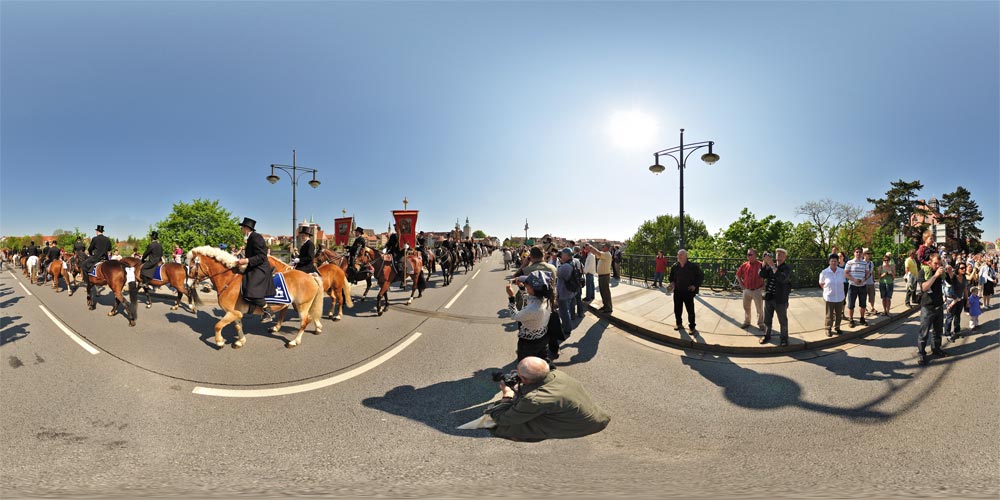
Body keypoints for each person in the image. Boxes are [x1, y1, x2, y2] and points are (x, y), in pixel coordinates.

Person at [487, 356, 610, 442]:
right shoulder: (558, 375)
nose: (514, 374)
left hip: (584, 427)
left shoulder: (534, 400)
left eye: (517, 373)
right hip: (599, 417)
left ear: (524, 379)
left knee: (499, 427)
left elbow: (503, 419)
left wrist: (507, 393)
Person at [504, 270, 555, 362]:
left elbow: (515, 316)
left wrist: (511, 298)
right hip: (542, 337)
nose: (525, 285)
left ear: (533, 288)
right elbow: (530, 299)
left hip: (529, 343)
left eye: (527, 284)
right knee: (540, 363)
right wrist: (522, 288)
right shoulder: (545, 299)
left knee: (526, 367)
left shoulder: (533, 309)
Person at [234, 217, 276, 322]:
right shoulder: (250, 238)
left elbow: (262, 256)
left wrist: (246, 260)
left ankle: (268, 311)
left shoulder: (256, 237)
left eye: (242, 227)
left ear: (246, 228)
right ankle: (251, 307)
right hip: (253, 267)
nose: (241, 230)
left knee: (251, 289)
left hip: (260, 269)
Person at [916, 252, 950, 365]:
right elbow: (924, 287)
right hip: (927, 307)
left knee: (937, 331)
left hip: (939, 305)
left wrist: (949, 272)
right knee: (924, 332)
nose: (937, 266)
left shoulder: (941, 271)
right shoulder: (923, 272)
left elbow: (950, 282)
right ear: (929, 262)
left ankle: (936, 349)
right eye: (935, 263)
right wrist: (935, 276)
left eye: (939, 263)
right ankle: (921, 353)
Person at [759, 249, 792, 346]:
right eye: (778, 253)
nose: (779, 255)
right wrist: (765, 262)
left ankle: (784, 338)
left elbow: (782, 278)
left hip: (780, 299)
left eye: (781, 254)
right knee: (767, 319)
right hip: (769, 297)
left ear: (785, 257)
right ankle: (766, 335)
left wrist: (772, 266)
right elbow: (762, 274)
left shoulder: (786, 268)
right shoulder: (771, 266)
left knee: (783, 320)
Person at [668, 249, 704, 333]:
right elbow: (671, 277)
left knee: (690, 310)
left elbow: (701, 276)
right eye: (678, 255)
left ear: (686, 256)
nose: (679, 256)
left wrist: (694, 285)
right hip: (677, 291)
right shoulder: (675, 266)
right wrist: (672, 283)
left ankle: (692, 327)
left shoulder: (692, 266)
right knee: (677, 309)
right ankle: (679, 324)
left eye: (681, 255)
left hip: (688, 292)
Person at [81, 225, 112, 308]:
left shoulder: (95, 238)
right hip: (105, 259)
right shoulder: (107, 239)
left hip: (96, 258)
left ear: (97, 231)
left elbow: (90, 248)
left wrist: (91, 254)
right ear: (102, 231)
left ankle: (86, 281)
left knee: (84, 265)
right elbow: (109, 249)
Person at [735, 248, 765, 330]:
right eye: (747, 254)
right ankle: (747, 322)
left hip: (757, 290)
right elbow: (738, 274)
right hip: (746, 290)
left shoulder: (761, 265)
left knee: (759, 308)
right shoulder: (744, 265)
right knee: (746, 307)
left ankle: (761, 323)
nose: (748, 256)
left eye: (750, 254)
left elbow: (767, 275)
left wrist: (764, 285)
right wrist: (741, 284)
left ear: (755, 255)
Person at [819, 253, 846, 337]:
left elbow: (844, 282)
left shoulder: (841, 271)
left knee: (839, 314)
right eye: (832, 261)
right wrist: (827, 290)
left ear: (838, 262)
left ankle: (837, 327)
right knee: (829, 314)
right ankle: (828, 328)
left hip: (840, 296)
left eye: (835, 261)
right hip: (829, 297)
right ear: (829, 262)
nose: (834, 263)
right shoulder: (824, 272)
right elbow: (821, 283)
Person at [556, 248, 580, 340]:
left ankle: (567, 329)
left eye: (562, 254)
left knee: (564, 312)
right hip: (570, 291)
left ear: (566, 255)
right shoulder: (573, 262)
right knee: (567, 310)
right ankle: (567, 325)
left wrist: (559, 265)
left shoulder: (565, 266)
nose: (561, 256)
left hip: (564, 292)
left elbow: (557, 273)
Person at [844, 247, 870, 328]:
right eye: (857, 252)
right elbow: (846, 273)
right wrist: (853, 279)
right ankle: (851, 320)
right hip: (853, 286)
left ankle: (862, 318)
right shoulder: (849, 262)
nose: (858, 254)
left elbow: (868, 273)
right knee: (851, 304)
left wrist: (864, 279)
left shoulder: (865, 263)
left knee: (863, 304)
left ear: (862, 253)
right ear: (854, 253)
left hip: (862, 286)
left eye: (860, 252)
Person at [944, 262, 968, 341]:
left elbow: (965, 289)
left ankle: (956, 331)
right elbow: (949, 276)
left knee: (958, 316)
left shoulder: (964, 277)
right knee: (950, 317)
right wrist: (949, 270)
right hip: (952, 300)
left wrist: (966, 300)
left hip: (960, 300)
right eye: (962, 268)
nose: (964, 269)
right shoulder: (953, 277)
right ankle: (947, 333)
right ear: (957, 269)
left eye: (964, 267)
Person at [587, 243, 613, 313]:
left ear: (607, 248)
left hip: (604, 276)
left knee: (605, 292)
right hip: (602, 276)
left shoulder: (607, 254)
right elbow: (596, 254)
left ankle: (608, 308)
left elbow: (597, 252)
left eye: (603, 246)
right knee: (603, 292)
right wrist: (590, 249)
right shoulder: (604, 254)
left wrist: (591, 247)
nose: (602, 247)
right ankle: (605, 306)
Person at [863, 249, 877, 317]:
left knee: (872, 296)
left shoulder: (871, 263)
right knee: (864, 296)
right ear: (864, 255)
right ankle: (865, 308)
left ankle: (872, 307)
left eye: (869, 254)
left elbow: (872, 272)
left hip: (870, 282)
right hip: (864, 282)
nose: (868, 255)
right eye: (867, 254)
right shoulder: (862, 263)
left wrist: (873, 279)